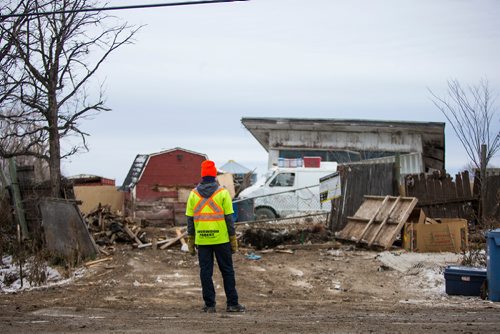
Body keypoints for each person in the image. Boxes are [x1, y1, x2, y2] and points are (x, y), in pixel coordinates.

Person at [186, 160, 246, 313]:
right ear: (214, 175)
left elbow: (190, 220)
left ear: (202, 175)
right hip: (221, 240)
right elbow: (229, 219)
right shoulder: (223, 193)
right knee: (227, 271)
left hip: (203, 241)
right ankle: (232, 304)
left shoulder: (193, 194)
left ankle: (209, 305)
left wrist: (191, 241)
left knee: (205, 272)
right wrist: (233, 239)